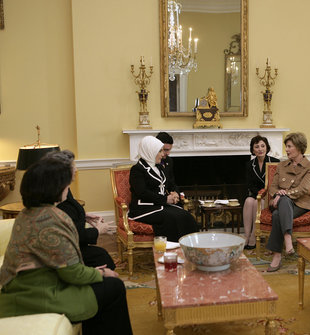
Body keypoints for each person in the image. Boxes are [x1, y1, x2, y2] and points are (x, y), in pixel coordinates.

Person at [0, 156, 132, 335]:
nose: (68, 187)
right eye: (65, 184)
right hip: (39, 296)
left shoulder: (27, 214)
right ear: (53, 188)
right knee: (114, 286)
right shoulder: (53, 219)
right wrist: (101, 273)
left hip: (23, 288)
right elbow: (73, 273)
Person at [45, 150, 116, 270]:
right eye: (73, 166)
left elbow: (69, 211)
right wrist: (98, 230)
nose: (76, 170)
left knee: (101, 256)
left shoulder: (62, 187)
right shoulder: (56, 196)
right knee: (102, 258)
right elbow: (72, 236)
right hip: (67, 251)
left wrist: (84, 216)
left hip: (73, 247)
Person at [128, 136, 198, 242]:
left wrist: (174, 194)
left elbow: (170, 184)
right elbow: (142, 192)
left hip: (160, 206)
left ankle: (191, 248)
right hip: (143, 209)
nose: (162, 154)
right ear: (150, 151)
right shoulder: (137, 170)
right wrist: (165, 199)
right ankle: (171, 250)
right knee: (172, 218)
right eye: (159, 151)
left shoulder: (159, 167)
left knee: (187, 216)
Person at [266, 132, 310, 272]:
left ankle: (277, 255)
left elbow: (303, 189)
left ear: (299, 147)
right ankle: (288, 239)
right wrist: (278, 194)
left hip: (301, 204)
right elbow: (272, 187)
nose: (286, 150)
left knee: (278, 214)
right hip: (278, 202)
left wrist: (284, 194)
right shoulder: (281, 166)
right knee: (283, 201)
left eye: (289, 146)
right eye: (286, 147)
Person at [243, 135, 280, 250]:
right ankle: (246, 235)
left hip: (270, 196)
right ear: (253, 150)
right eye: (257, 147)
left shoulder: (275, 162)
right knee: (249, 201)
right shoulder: (249, 165)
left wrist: (264, 194)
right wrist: (258, 194)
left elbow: (277, 183)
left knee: (258, 203)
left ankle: (254, 236)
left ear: (267, 147)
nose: (260, 149)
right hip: (256, 194)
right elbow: (249, 184)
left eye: (262, 146)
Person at [155, 132, 182, 206]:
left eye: (169, 150)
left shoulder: (169, 161)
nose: (168, 153)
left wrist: (176, 193)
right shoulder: (152, 163)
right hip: (157, 201)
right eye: (165, 150)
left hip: (168, 199)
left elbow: (172, 182)